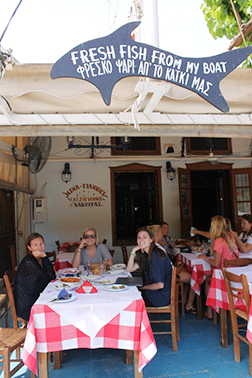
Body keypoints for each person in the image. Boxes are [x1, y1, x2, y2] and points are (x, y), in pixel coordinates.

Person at [186, 215, 239, 319]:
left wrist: (205, 258)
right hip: (234, 272)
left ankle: (209, 312)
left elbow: (216, 264)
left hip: (226, 275)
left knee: (208, 281)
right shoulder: (229, 236)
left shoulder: (219, 241)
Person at [14, 232, 56, 321]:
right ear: (29, 248)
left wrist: (44, 257)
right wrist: (44, 258)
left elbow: (51, 277)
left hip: (38, 296)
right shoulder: (29, 262)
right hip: (28, 304)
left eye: (41, 244)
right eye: (35, 245)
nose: (39, 247)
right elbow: (45, 280)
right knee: (55, 310)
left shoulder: (40, 258)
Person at [127, 226, 172, 307]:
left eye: (144, 237)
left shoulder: (156, 256)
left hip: (161, 296)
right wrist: (133, 251)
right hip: (156, 293)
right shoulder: (146, 255)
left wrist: (145, 287)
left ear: (151, 239)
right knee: (130, 293)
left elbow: (160, 285)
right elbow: (129, 269)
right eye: (139, 238)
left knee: (129, 299)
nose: (141, 240)